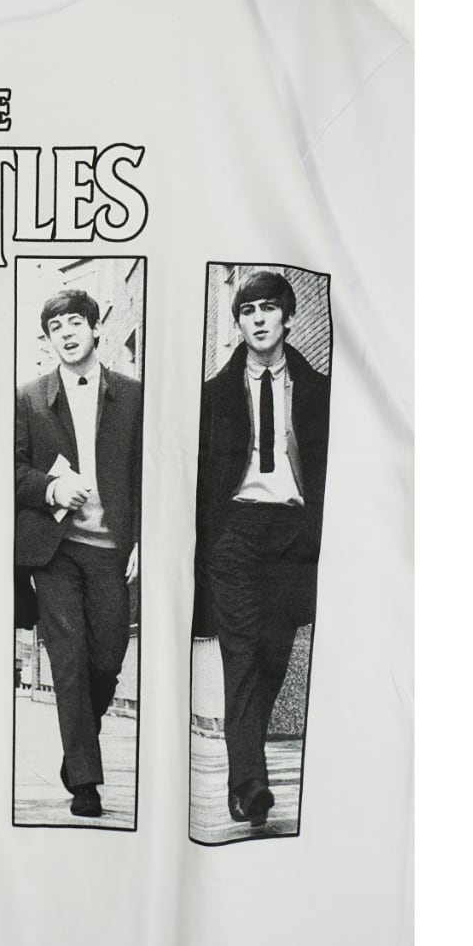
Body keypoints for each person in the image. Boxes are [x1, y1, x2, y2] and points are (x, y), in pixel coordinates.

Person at [192, 271, 330, 828]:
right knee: (241, 656)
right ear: (239, 325)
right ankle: (249, 784)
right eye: (247, 311)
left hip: (294, 534)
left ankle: (247, 774)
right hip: (237, 530)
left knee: (273, 657)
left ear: (288, 318)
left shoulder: (320, 391)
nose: (258, 319)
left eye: (268, 308)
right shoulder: (213, 396)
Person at [15, 288, 141, 819]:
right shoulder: (28, 398)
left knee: (107, 657)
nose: (65, 333)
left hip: (113, 549)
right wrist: (50, 487)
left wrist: (145, 539)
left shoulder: (133, 395)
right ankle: (86, 783)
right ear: (48, 340)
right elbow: (10, 469)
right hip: (57, 550)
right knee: (68, 661)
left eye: (74, 322)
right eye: (55, 327)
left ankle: (77, 754)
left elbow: (150, 472)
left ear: (95, 328)